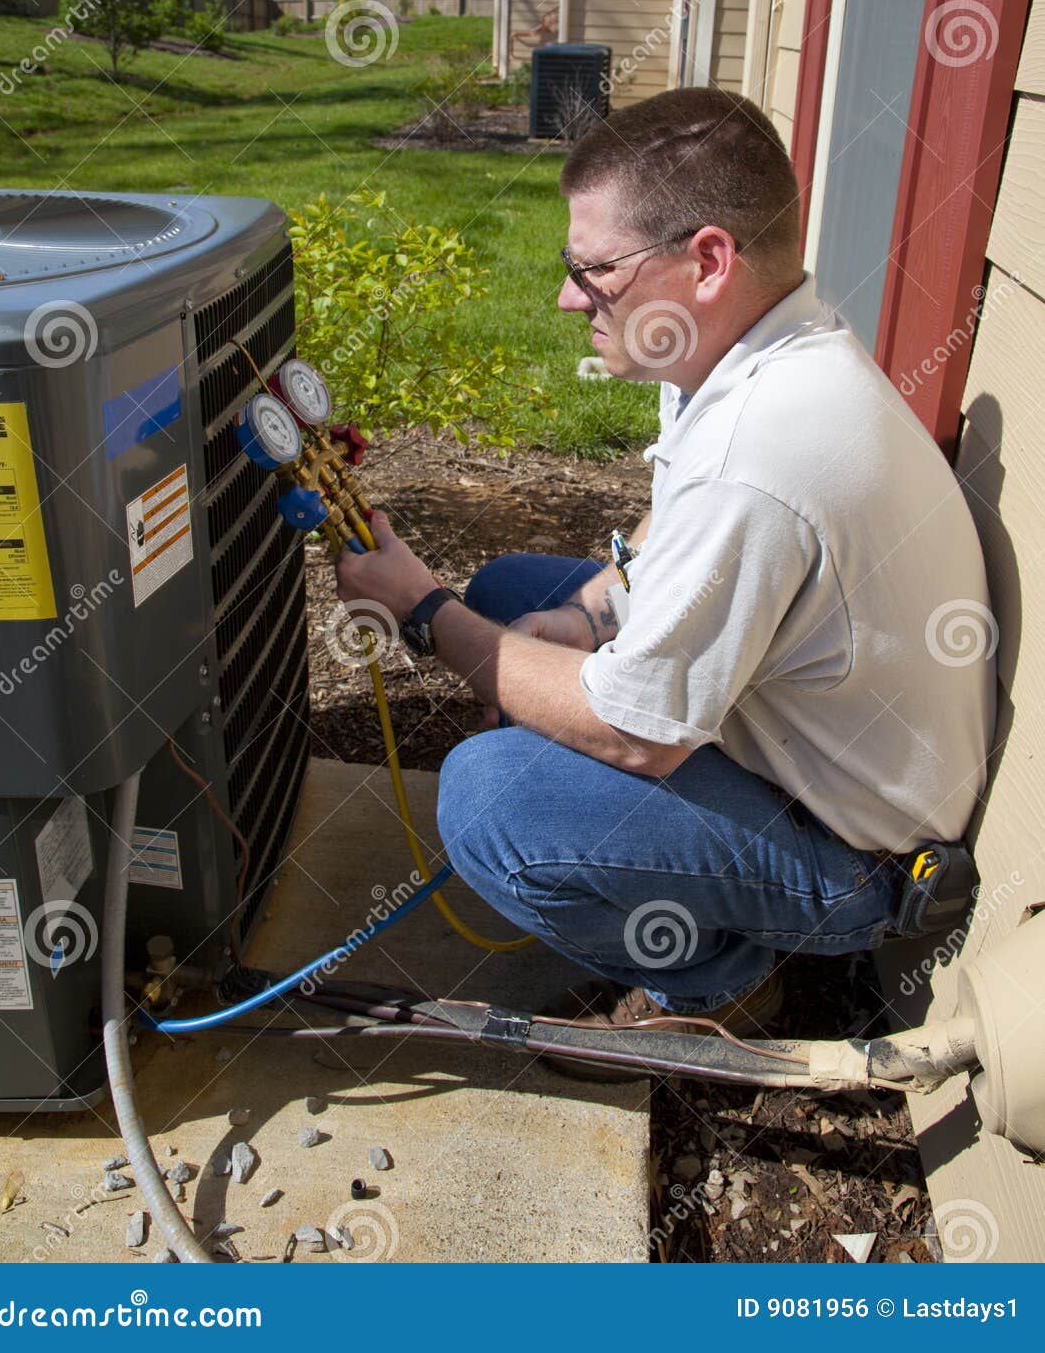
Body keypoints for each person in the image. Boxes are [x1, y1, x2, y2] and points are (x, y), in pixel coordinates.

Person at [334, 87, 996, 1047]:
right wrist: (588, 617)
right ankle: (679, 896)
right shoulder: (758, 354)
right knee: (519, 594)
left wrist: (422, 609)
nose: (568, 297)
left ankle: (720, 983)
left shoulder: (760, 455)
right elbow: (664, 526)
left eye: (592, 269)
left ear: (707, 261)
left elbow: (632, 735)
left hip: (853, 860)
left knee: (488, 799)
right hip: (790, 747)